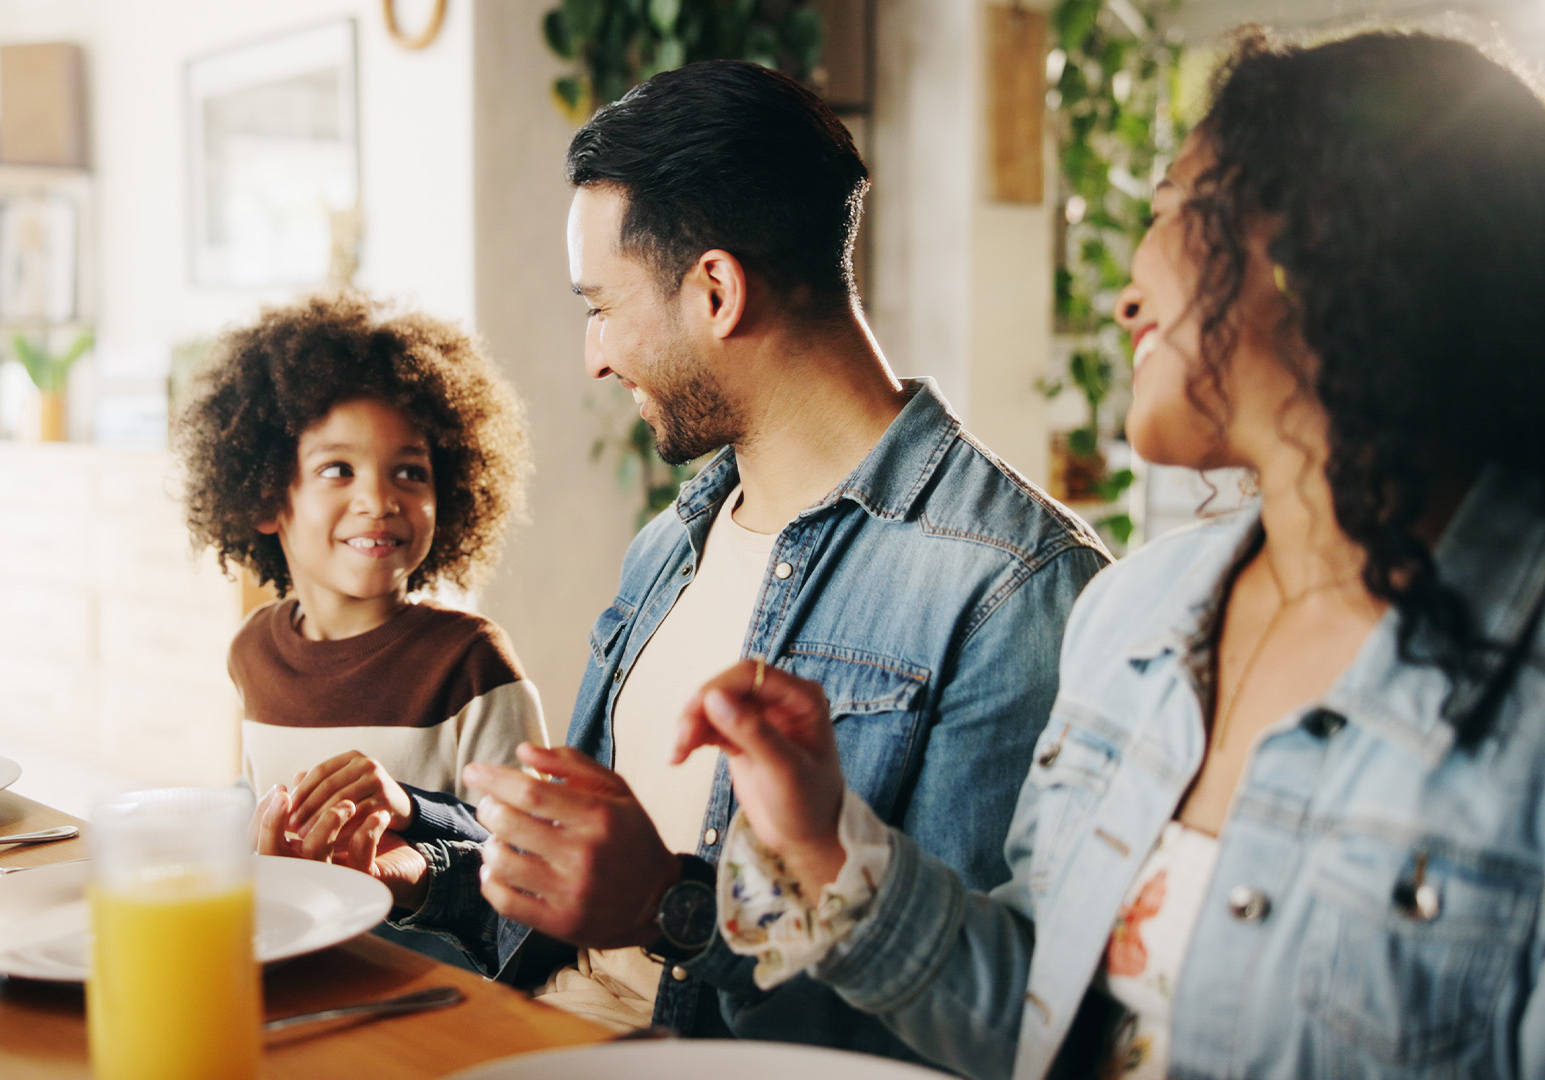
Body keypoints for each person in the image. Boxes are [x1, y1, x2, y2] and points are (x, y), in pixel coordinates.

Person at [675, 28, 1545, 1080]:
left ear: (1323, 239)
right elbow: (1051, 1020)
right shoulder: (1136, 616)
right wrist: (826, 847)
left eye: (1174, 208)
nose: (1129, 297)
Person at [262, 60, 1108, 1052]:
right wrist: (420, 865)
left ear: (716, 291)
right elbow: (580, 903)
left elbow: (986, 1023)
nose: (593, 357)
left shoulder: (1013, 587)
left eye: (600, 306)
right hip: (535, 1029)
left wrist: (675, 908)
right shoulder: (671, 547)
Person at [173, 291, 547, 830]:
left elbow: (526, 847)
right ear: (266, 499)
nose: (378, 500)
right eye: (338, 470)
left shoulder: (471, 664)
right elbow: (260, 798)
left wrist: (411, 811)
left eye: (410, 472)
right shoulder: (252, 652)